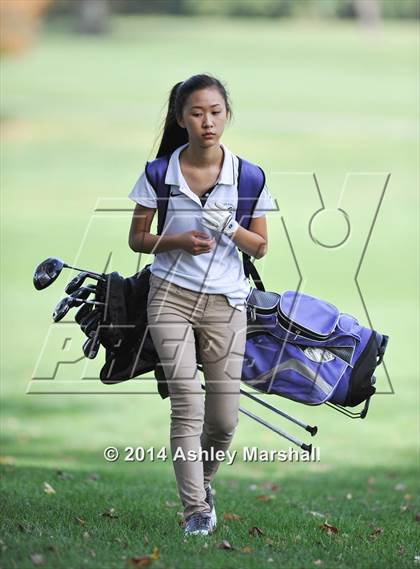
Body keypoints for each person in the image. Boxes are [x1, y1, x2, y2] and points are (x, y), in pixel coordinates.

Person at [127, 74, 275, 536]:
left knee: (224, 418)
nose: (207, 121)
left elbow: (261, 247)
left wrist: (228, 227)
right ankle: (195, 510)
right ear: (180, 119)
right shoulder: (158, 173)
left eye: (215, 111)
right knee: (187, 401)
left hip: (227, 302)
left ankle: (202, 485)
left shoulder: (248, 175)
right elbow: (137, 238)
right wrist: (176, 241)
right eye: (196, 113)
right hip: (169, 296)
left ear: (226, 114)